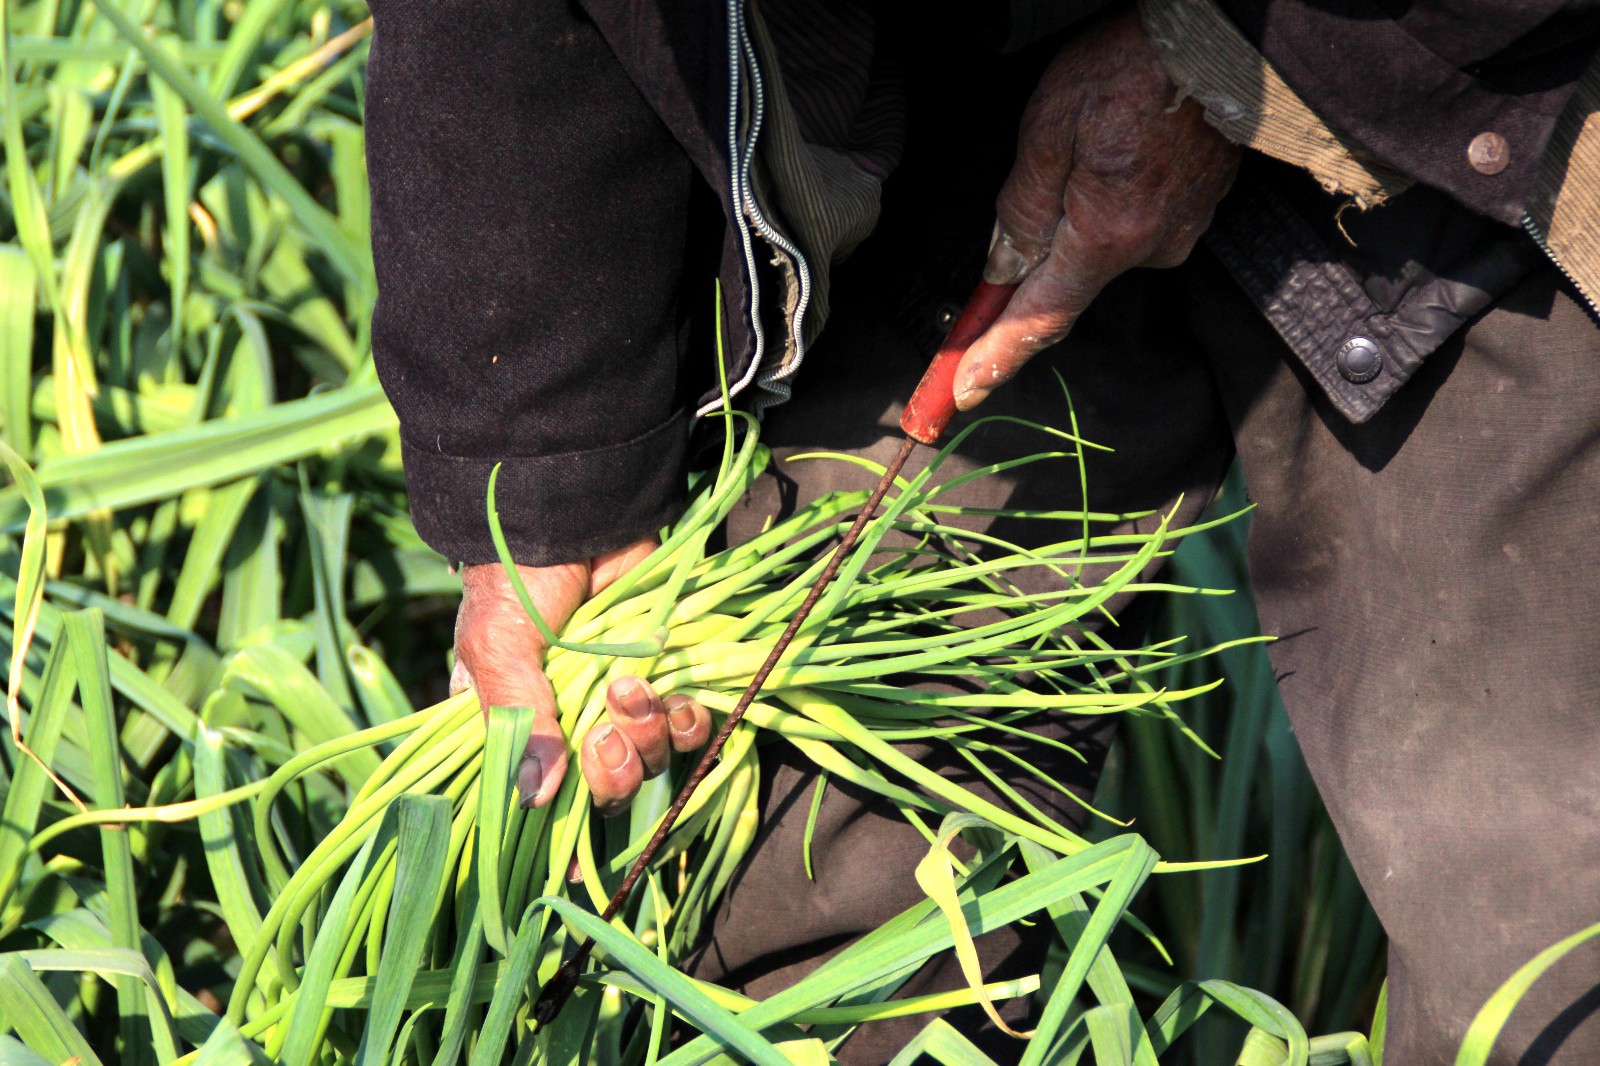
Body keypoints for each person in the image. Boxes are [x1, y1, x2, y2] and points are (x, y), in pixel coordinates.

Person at [363, 0, 1600, 1061]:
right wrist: (546, 477)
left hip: (1460, 78)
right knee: (814, 874)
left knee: (1541, 912)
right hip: (958, 88)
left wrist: (1209, 48)